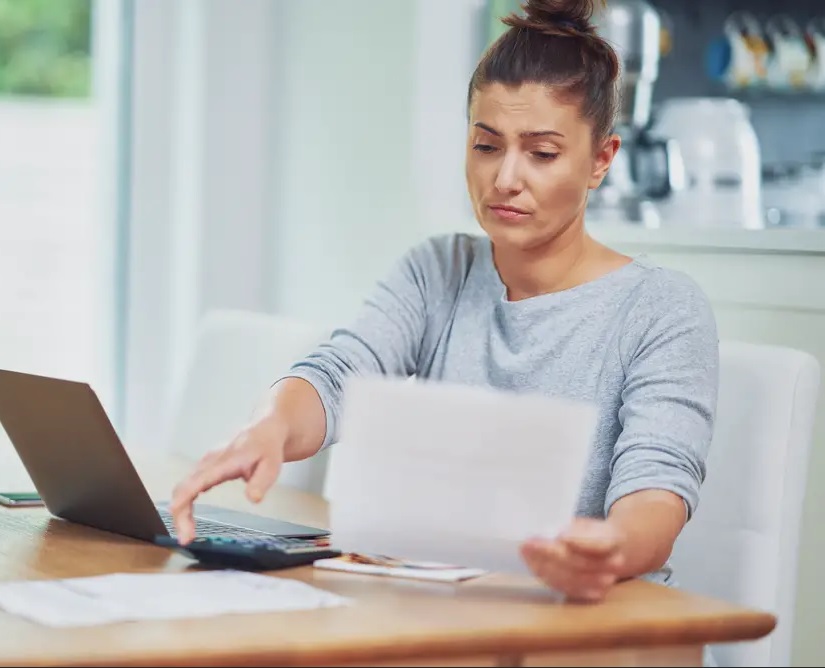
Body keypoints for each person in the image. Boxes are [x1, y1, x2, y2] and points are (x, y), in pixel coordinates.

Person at [169, 0, 718, 604]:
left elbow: (657, 491)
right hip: (453, 607)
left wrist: (609, 546)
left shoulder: (662, 308)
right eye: (486, 146)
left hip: (603, 623)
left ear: (600, 161)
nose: (505, 178)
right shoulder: (439, 270)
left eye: (542, 153)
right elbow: (340, 373)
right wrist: (269, 425)